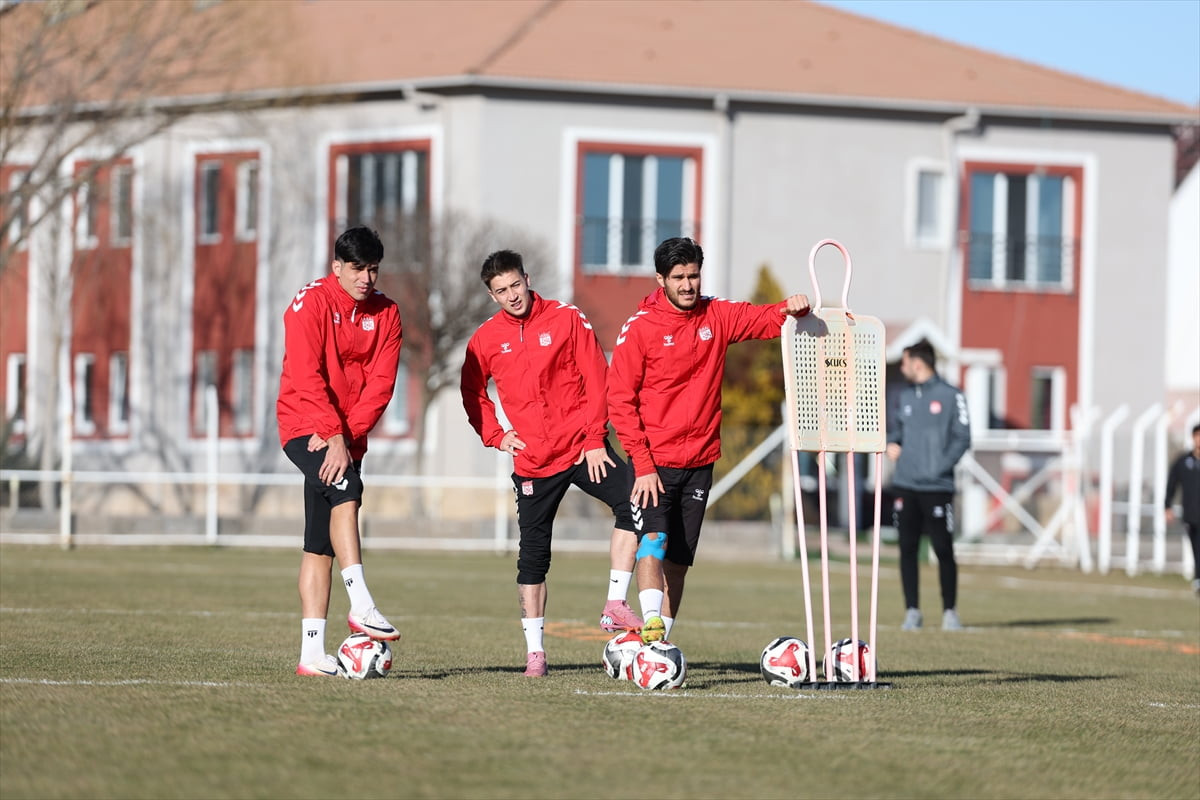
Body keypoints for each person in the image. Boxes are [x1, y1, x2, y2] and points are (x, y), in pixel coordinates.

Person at [607, 236, 811, 643]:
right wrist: (642, 466)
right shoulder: (641, 328)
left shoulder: (716, 315)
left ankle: (659, 642)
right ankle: (647, 629)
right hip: (653, 463)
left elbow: (762, 318)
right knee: (653, 539)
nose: (688, 285)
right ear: (661, 279)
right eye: (679, 277)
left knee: (679, 564)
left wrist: (791, 307)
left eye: (694, 275)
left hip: (700, 461)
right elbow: (619, 400)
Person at [460, 249, 645, 677]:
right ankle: (536, 654)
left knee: (638, 502)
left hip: (583, 449)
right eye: (501, 291)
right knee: (532, 558)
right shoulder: (486, 339)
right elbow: (472, 391)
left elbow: (598, 376)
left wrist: (596, 438)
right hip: (533, 462)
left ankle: (615, 604)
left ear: (527, 278)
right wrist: (496, 434)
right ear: (492, 296)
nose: (511, 296)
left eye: (515, 285)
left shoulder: (566, 318)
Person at [277, 225, 404, 677]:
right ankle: (362, 604)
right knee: (347, 490)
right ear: (337, 267)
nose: (366, 278)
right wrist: (331, 435)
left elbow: (381, 385)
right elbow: (306, 374)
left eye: (372, 269)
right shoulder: (309, 302)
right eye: (357, 269)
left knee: (319, 544)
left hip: (345, 441)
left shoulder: (388, 314)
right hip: (303, 428)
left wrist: (345, 439)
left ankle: (311, 655)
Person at [885, 339, 971, 631]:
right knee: (907, 548)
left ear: (918, 363)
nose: (903, 367)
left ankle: (950, 612)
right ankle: (912, 611)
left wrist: (940, 467)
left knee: (943, 549)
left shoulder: (952, 395)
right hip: (905, 485)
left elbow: (963, 437)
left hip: (937, 488)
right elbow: (896, 430)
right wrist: (892, 443)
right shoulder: (905, 397)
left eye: (905, 361)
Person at [1164, 424, 1200, 594]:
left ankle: (1198, 580)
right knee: (1195, 547)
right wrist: (1167, 505)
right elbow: (1172, 483)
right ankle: (1198, 579)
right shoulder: (1183, 461)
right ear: (1193, 437)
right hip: (1191, 514)